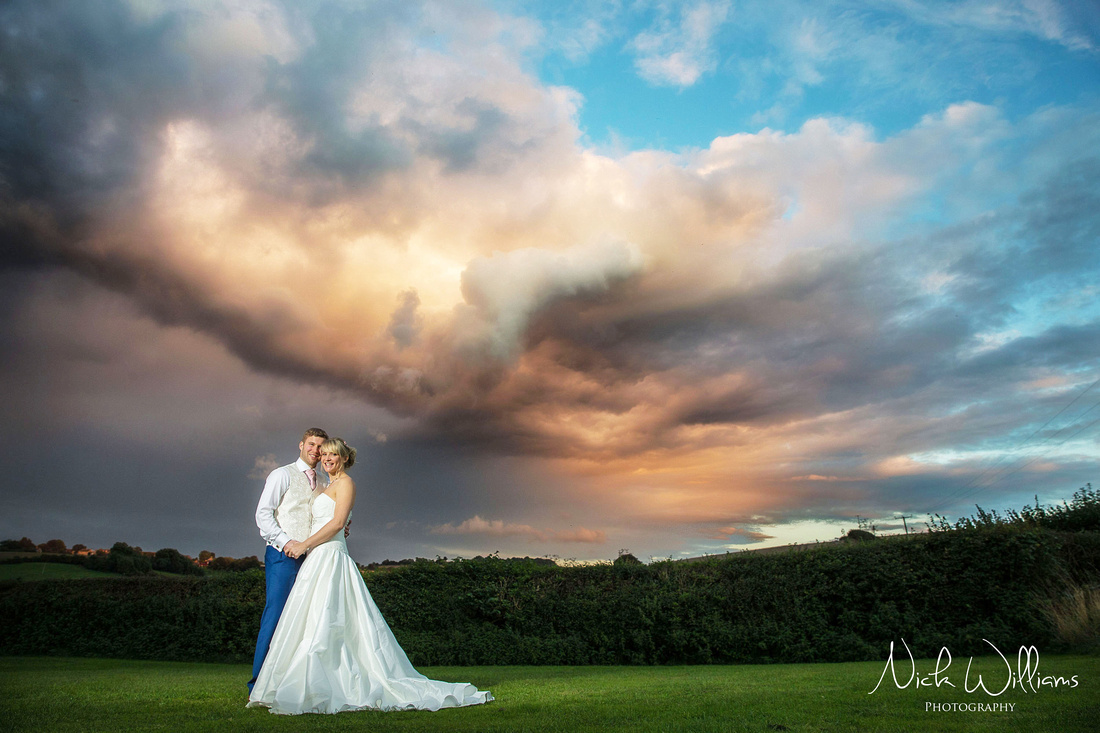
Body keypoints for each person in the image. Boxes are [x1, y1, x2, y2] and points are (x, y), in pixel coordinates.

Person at [247, 437, 493, 715]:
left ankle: (328, 682)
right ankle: (289, 682)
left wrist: (309, 542)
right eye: (323, 453)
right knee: (305, 621)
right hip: (314, 559)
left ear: (344, 458)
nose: (326, 458)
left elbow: (338, 522)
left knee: (330, 619)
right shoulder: (323, 485)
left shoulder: (346, 484)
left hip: (329, 557)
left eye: (333, 454)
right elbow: (321, 520)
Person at [248, 427, 329, 694]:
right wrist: (286, 542)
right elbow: (263, 515)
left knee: (304, 621)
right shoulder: (282, 474)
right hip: (282, 556)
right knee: (275, 616)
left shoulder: (324, 484)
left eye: (320, 446)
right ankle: (258, 684)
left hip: (313, 558)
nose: (315, 450)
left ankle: (293, 684)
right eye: (311, 444)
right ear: (301, 445)